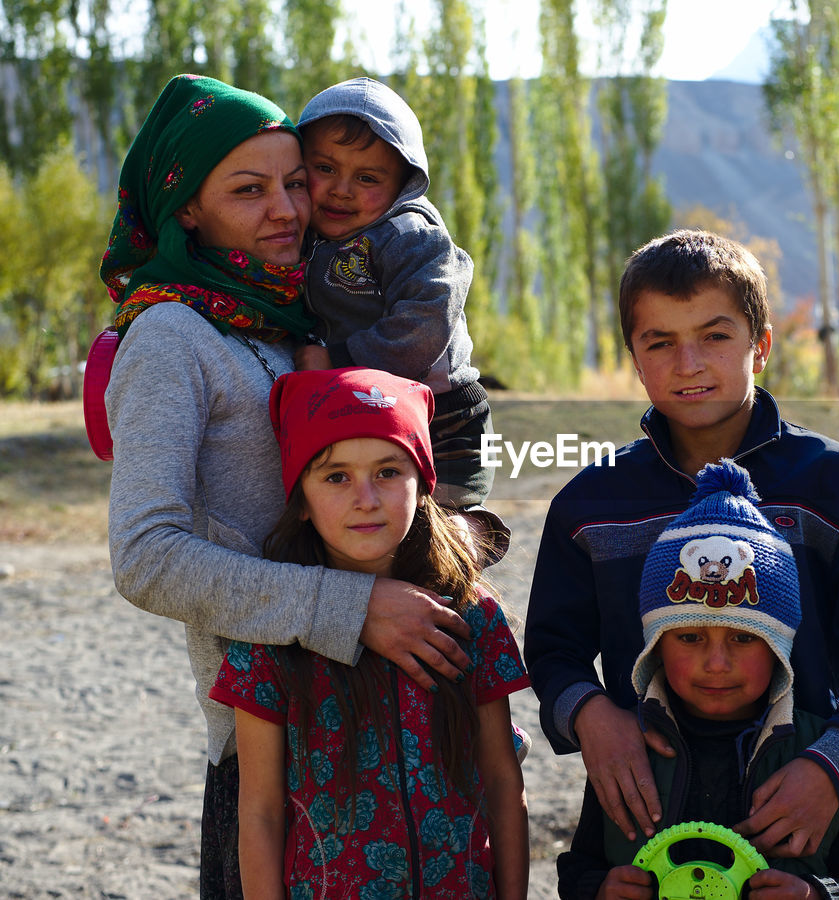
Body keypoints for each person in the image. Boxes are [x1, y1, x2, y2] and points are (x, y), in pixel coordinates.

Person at [102, 74, 477, 898]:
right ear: (187, 209)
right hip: (278, 751)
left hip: (402, 722)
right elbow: (144, 558)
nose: (290, 210)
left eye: (293, 182)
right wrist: (349, 609)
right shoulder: (171, 336)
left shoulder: (291, 317)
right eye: (249, 189)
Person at [524, 229, 839, 860]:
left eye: (715, 336)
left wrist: (837, 763)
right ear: (634, 356)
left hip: (800, 799)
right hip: (645, 806)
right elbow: (553, 650)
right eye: (660, 343)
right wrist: (593, 717)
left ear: (760, 344)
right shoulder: (588, 505)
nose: (689, 365)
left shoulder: (837, 485)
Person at [211, 367, 529, 899]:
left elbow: (502, 779)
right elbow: (261, 813)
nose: (366, 498)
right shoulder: (270, 634)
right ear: (301, 501)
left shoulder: (470, 614)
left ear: (423, 483)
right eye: (335, 477)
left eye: (388, 471)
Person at [556, 460, 839, 900]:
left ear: (779, 648)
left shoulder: (816, 754)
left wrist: (818, 895)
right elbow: (576, 869)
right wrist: (599, 889)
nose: (716, 663)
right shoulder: (625, 751)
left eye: (743, 637)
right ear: (655, 647)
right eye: (689, 636)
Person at [291, 76, 496, 524]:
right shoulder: (304, 235)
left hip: (445, 417)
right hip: (370, 406)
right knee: (366, 526)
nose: (341, 189)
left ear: (404, 183)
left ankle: (464, 582)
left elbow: (425, 324)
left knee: (442, 528)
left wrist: (337, 359)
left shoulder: (409, 236)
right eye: (324, 168)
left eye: (367, 178)